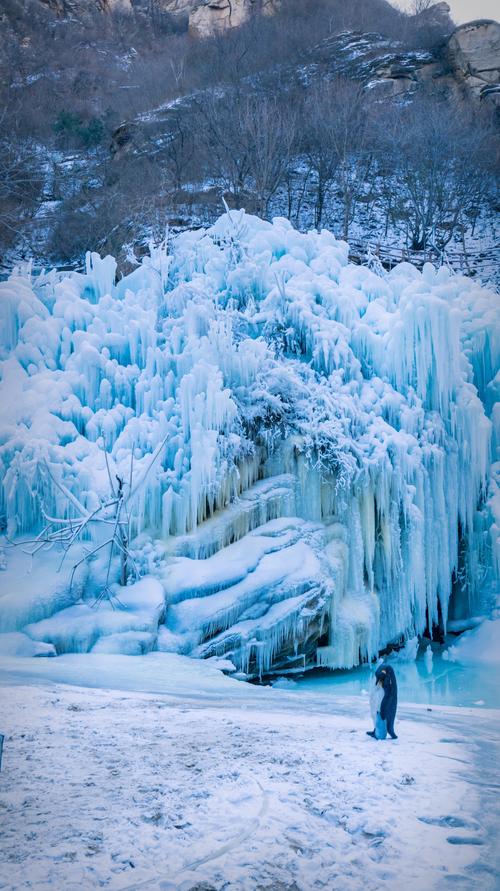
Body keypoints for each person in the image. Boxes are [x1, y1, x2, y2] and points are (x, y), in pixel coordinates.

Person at [367, 663, 398, 739]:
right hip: (383, 683)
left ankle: (390, 730)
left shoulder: (388, 680)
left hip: (388, 696)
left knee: (387, 711)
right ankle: (376, 729)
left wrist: (383, 710)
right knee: (375, 709)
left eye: (379, 680)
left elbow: (387, 696)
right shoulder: (380, 672)